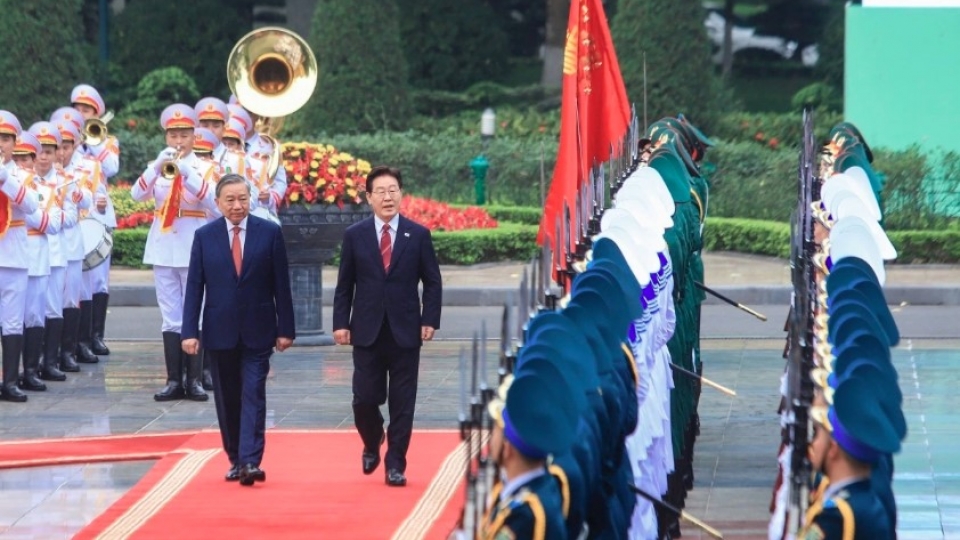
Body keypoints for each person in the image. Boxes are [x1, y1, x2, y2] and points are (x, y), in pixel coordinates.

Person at [181, 173, 295, 486]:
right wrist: (189, 331)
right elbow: (194, 286)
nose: (237, 205)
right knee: (228, 399)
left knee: (254, 394)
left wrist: (286, 328)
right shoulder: (205, 236)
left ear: (251, 200)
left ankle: (250, 461)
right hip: (219, 331)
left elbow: (281, 286)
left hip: (259, 330)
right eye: (230, 200)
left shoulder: (269, 233)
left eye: (242, 199)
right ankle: (235, 457)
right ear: (217, 203)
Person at [333, 165, 442, 487]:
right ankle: (371, 440)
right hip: (366, 330)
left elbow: (432, 282)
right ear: (369, 197)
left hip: (406, 331)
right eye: (380, 191)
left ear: (401, 194)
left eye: (393, 190)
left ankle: (396, 464)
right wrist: (341, 323)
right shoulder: (355, 236)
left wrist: (429, 319)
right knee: (364, 399)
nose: (387, 196)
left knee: (403, 403)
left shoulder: (418, 235)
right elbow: (344, 285)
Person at [131, 104, 220, 402]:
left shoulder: (206, 168)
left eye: (184, 134)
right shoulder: (160, 166)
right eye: (173, 135)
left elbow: (216, 205)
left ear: (195, 136)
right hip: (164, 246)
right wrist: (155, 167)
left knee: (194, 312)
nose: (178, 141)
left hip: (194, 246)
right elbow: (136, 195)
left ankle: (194, 380)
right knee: (170, 316)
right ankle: (173, 380)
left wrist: (188, 174)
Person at [70, 84, 119, 358]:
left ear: (96, 113)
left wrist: (92, 141)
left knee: (98, 280)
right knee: (77, 282)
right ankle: (76, 340)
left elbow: (112, 168)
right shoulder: (64, 141)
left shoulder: (106, 141)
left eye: (85, 109)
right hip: (72, 214)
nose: (80, 112)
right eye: (76, 108)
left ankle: (95, 336)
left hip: (98, 216)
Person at [0, 111, 41, 402]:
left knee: (13, 321)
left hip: (13, 254)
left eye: (5, 138)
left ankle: (11, 381)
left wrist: (4, 178)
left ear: (15, 142)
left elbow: (30, 206)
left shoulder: (23, 175)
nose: (1, 144)